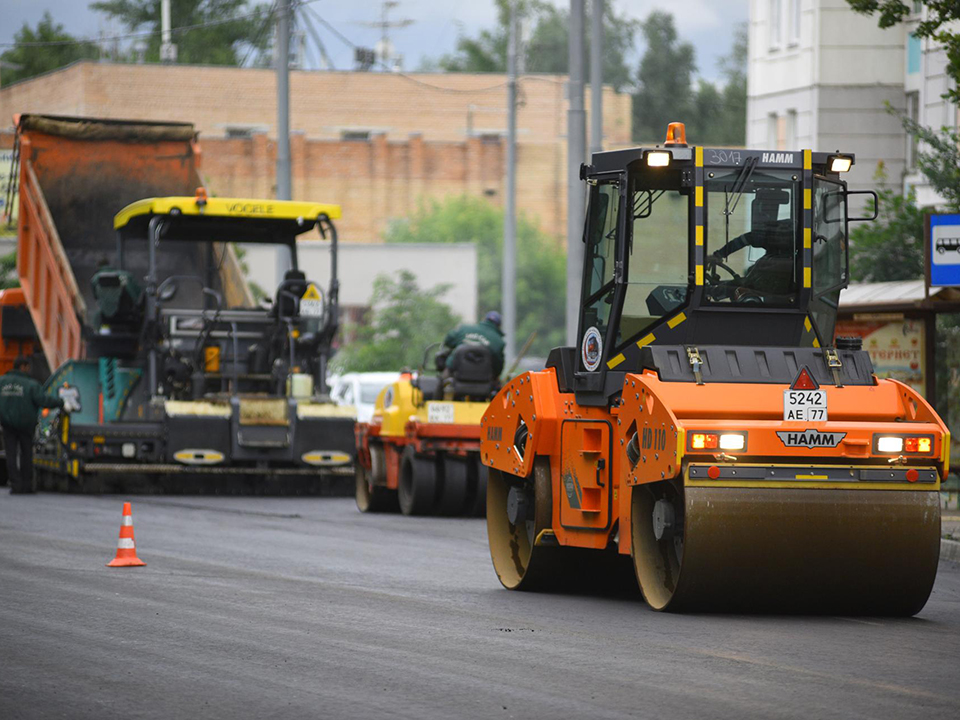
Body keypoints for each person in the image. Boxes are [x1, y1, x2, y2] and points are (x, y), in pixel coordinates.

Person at [0, 356, 64, 494]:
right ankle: (26, 485)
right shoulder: (31, 384)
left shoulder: (2, 382)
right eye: (27, 367)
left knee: (11, 455)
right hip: (26, 426)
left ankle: (15, 485)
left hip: (7, 425)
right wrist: (61, 402)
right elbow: (43, 400)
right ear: (23, 367)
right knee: (26, 455)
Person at [438, 311, 506, 378]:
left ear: (484, 319)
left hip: (454, 371)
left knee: (442, 379)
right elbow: (498, 366)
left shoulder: (463, 328)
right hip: (483, 379)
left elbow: (448, 341)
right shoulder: (499, 341)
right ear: (499, 325)